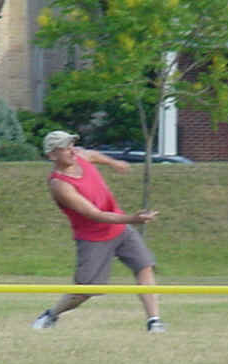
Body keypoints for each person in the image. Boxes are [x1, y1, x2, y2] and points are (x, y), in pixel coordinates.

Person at [32, 130, 165, 333]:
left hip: (120, 228)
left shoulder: (80, 156)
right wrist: (133, 219)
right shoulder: (59, 184)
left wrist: (114, 163)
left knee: (144, 265)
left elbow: (93, 154)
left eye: (71, 145)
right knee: (86, 290)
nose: (71, 150)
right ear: (52, 155)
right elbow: (94, 214)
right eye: (65, 148)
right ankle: (51, 315)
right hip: (94, 238)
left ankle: (154, 321)